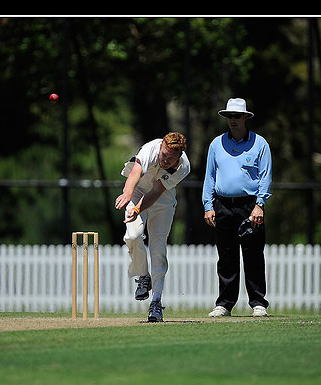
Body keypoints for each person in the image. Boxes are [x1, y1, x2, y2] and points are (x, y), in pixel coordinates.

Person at [202, 98, 272, 317]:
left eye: (236, 116)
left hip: (250, 206)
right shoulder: (216, 144)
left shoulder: (260, 144)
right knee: (226, 256)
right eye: (229, 116)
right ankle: (224, 303)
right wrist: (208, 205)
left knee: (253, 254)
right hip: (223, 205)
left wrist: (260, 205)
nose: (232, 120)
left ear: (245, 117)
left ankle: (258, 302)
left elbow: (265, 177)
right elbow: (209, 177)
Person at [115, 132, 191, 322]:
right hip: (137, 189)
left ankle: (156, 301)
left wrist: (139, 208)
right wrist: (128, 194)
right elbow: (135, 173)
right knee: (133, 236)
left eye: (171, 159)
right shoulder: (151, 148)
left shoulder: (184, 167)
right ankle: (143, 275)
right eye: (164, 155)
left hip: (162, 199)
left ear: (179, 157)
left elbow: (157, 191)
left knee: (158, 248)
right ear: (162, 147)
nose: (165, 161)